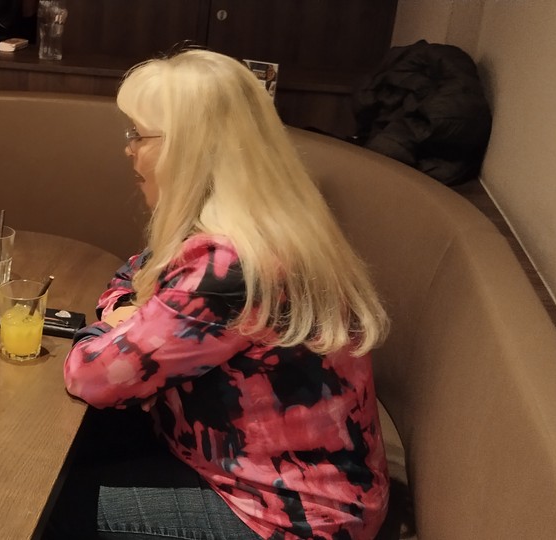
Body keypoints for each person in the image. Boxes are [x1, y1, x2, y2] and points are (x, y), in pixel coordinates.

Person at [55, 49, 391, 539]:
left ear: (190, 148)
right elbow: (134, 271)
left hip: (292, 517)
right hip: (285, 483)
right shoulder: (265, 219)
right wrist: (127, 312)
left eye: (139, 135)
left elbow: (92, 376)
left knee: (46, 502)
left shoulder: (233, 267)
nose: (129, 149)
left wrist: (110, 329)